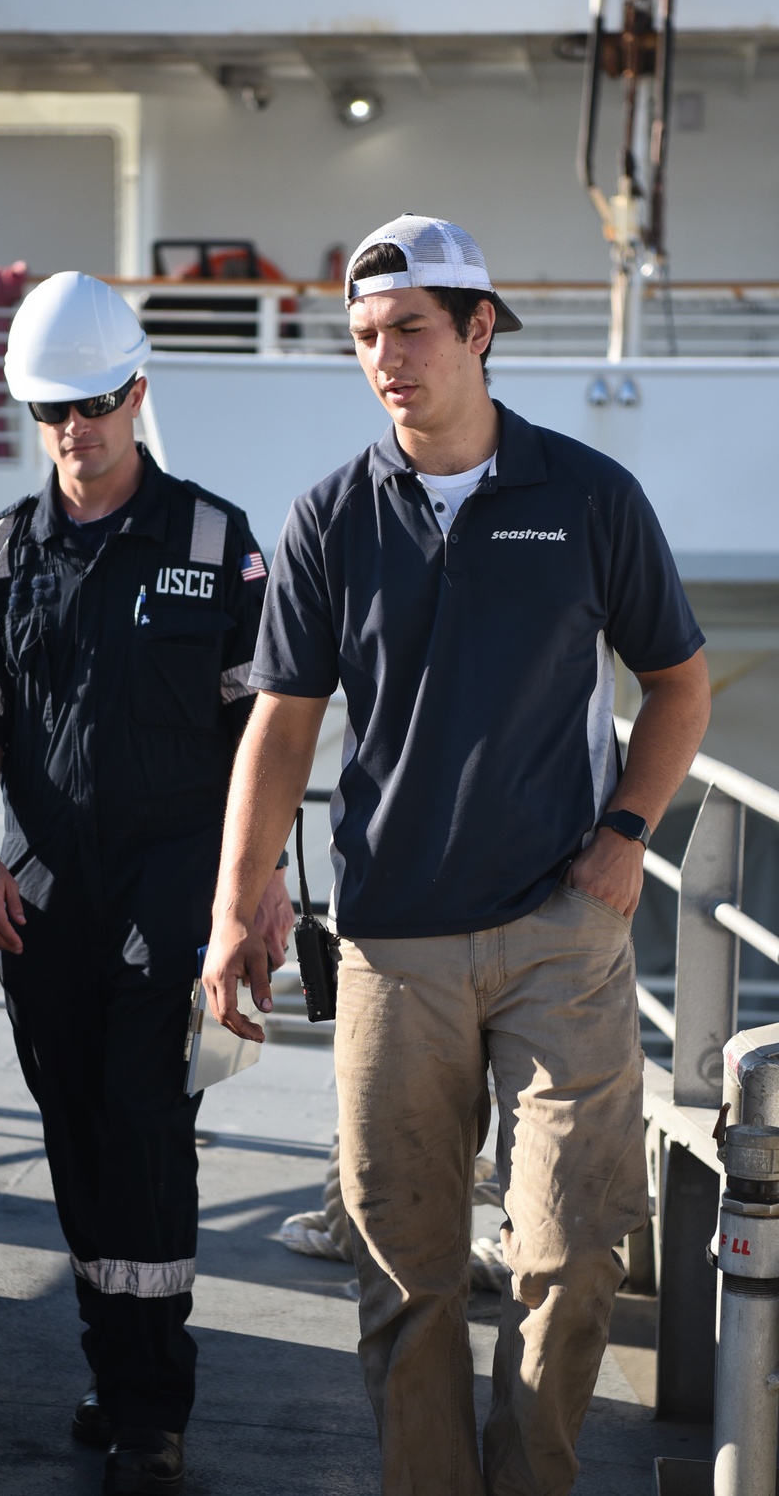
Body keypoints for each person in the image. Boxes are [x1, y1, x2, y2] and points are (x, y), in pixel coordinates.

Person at [203, 215, 711, 1496]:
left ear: (480, 330)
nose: (385, 358)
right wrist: (234, 906)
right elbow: (281, 724)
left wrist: (626, 835)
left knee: (572, 1252)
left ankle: (529, 1479)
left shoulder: (588, 496)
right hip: (393, 944)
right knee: (404, 1277)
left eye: (410, 331)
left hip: (562, 932)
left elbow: (678, 684)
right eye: (365, 337)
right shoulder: (330, 516)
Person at [0, 271, 293, 1496]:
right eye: (49, 411)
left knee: (145, 1136)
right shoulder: (1, 552)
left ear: (137, 390)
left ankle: (150, 1406)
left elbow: (265, 740)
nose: (72, 430)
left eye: (91, 403)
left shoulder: (214, 541)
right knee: (77, 1140)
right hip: (46, 909)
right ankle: (112, 1365)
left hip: (176, 904)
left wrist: (266, 882)